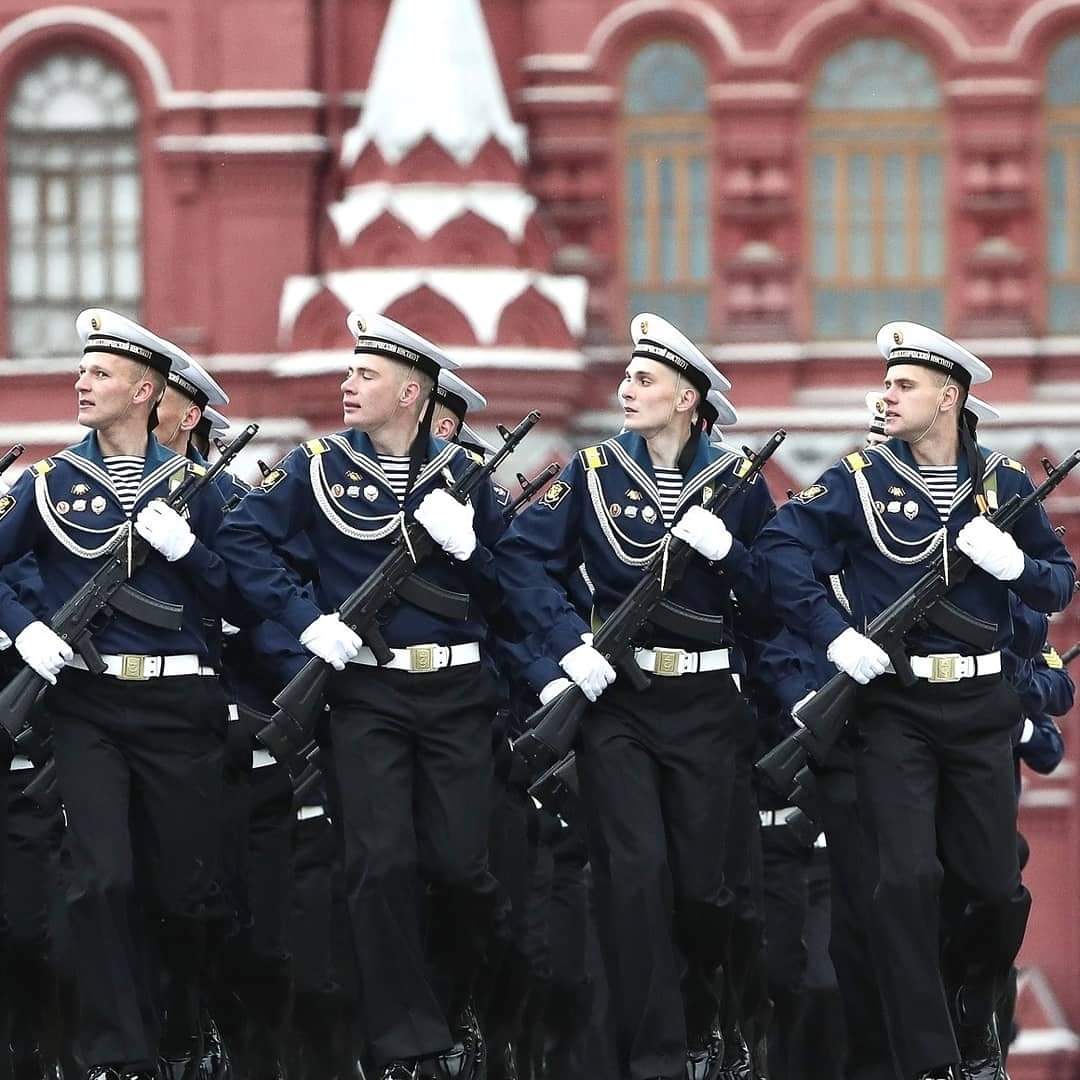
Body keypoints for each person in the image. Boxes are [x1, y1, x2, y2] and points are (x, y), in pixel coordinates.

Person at [757, 322, 1076, 1080]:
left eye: (904, 385)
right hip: (895, 711)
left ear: (949, 397)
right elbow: (780, 550)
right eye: (887, 382)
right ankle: (933, 1060)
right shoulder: (859, 478)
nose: (887, 395)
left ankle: (973, 1012)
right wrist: (836, 636)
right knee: (903, 884)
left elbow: (1059, 581)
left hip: (981, 709)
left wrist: (1016, 564)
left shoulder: (1002, 484)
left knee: (995, 892)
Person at [215, 312, 513, 1080]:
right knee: (377, 864)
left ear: (411, 392)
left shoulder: (466, 477)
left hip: (455, 689)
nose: (347, 386)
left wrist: (471, 545)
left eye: (365, 376)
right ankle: (405, 1045)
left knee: (460, 870)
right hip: (366, 693)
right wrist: (306, 621)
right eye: (350, 373)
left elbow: (512, 588)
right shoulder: (315, 466)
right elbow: (245, 539)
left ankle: (451, 1006)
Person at [496, 312, 777, 1080]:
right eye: (627, 377)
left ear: (688, 399)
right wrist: (569, 648)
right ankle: (660, 1058)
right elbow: (523, 564)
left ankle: (709, 1020)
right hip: (619, 702)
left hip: (708, 706)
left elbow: (774, 599)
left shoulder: (739, 484)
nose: (625, 389)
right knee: (637, 876)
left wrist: (732, 557)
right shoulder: (590, 473)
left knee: (703, 891)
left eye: (645, 380)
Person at [0, 309, 233, 1080]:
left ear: (144, 391)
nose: (81, 382)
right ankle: (118, 1054)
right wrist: (25, 628)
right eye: (81, 371)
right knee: (102, 878)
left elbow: (246, 593)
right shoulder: (47, 485)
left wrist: (192, 551)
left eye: (99, 374)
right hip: (90, 707)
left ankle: (184, 1029)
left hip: (179, 708)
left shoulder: (199, 489)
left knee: (184, 887)